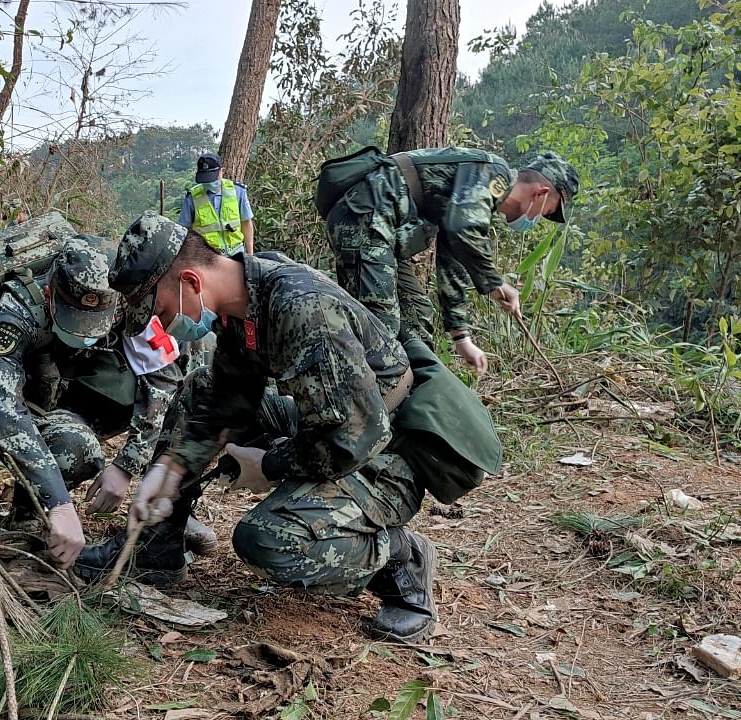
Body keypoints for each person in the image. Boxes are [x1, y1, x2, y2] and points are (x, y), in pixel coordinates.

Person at [84, 215, 502, 642]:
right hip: (329, 422)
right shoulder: (242, 301)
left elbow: (351, 438)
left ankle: (400, 558)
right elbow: (227, 400)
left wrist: (268, 464)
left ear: (191, 281)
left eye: (160, 310)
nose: (162, 322)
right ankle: (157, 546)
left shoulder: (300, 308)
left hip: (389, 452)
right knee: (200, 389)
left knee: (268, 540)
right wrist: (172, 469)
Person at [0, 233, 214, 569]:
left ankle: (162, 520)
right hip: (44, 403)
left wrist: (126, 466)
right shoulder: (18, 310)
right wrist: (58, 502)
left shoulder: (126, 297)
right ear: (50, 296)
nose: (86, 332)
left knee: (194, 379)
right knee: (74, 447)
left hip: (93, 390)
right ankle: (29, 511)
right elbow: (3, 410)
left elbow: (161, 379)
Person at [323, 149, 579, 374]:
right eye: (547, 212)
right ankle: (354, 408)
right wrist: (494, 284)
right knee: (380, 329)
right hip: (365, 219)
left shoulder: (477, 198)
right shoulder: (494, 173)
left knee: (416, 316)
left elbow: (452, 258)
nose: (538, 218)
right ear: (541, 193)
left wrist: (462, 338)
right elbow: (462, 229)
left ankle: (417, 402)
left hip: (381, 231)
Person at [179, 151, 255, 256]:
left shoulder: (237, 191)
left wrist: (250, 254)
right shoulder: (192, 197)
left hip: (236, 253)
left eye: (211, 177)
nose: (209, 182)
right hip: (207, 257)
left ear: (222, 171)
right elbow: (184, 230)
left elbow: (246, 223)